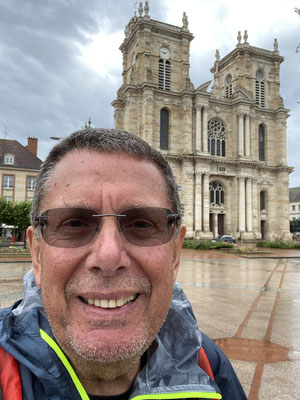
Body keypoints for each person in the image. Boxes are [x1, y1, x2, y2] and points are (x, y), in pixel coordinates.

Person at [0, 128, 247, 400]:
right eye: (74, 224)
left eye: (141, 224)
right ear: (36, 255)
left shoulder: (209, 365)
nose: (108, 256)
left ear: (176, 252)